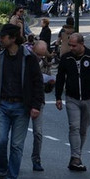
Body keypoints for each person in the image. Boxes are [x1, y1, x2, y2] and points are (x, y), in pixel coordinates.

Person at [0, 24, 44, 179]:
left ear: (13, 38)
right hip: (3, 105)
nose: (0, 39)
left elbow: (37, 82)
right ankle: (1, 171)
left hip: (22, 106)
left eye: (4, 36)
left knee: (16, 145)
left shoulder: (29, 58)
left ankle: (10, 178)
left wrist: (36, 105)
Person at [55, 33, 90, 171]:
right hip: (72, 97)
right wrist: (58, 97)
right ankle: (75, 157)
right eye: (70, 45)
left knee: (83, 129)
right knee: (74, 127)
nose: (71, 48)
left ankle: (77, 154)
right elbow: (60, 77)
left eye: (74, 45)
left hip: (89, 97)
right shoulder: (66, 58)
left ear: (81, 44)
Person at [30, 40, 54, 171]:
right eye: (38, 54)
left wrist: (50, 84)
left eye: (42, 55)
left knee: (38, 132)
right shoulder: (27, 60)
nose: (40, 57)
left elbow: (47, 90)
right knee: (18, 135)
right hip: (25, 100)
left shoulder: (45, 65)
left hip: (39, 101)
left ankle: (36, 159)